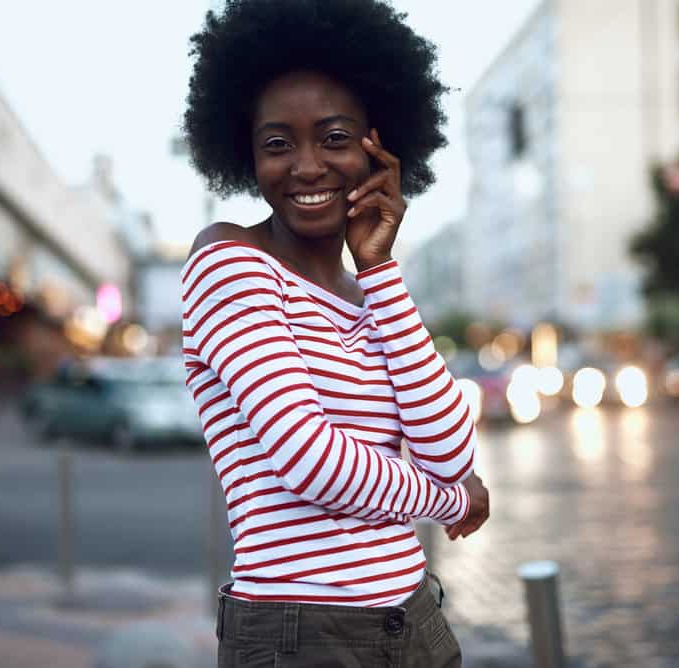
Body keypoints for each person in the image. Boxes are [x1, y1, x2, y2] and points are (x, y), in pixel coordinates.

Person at [180, 1, 489, 665]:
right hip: (302, 635)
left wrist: (379, 267)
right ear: (245, 153)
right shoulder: (228, 260)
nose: (308, 165)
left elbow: (448, 447)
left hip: (413, 618)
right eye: (278, 144)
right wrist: (451, 501)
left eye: (334, 137)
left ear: (376, 146)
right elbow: (308, 458)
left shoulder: (368, 291)